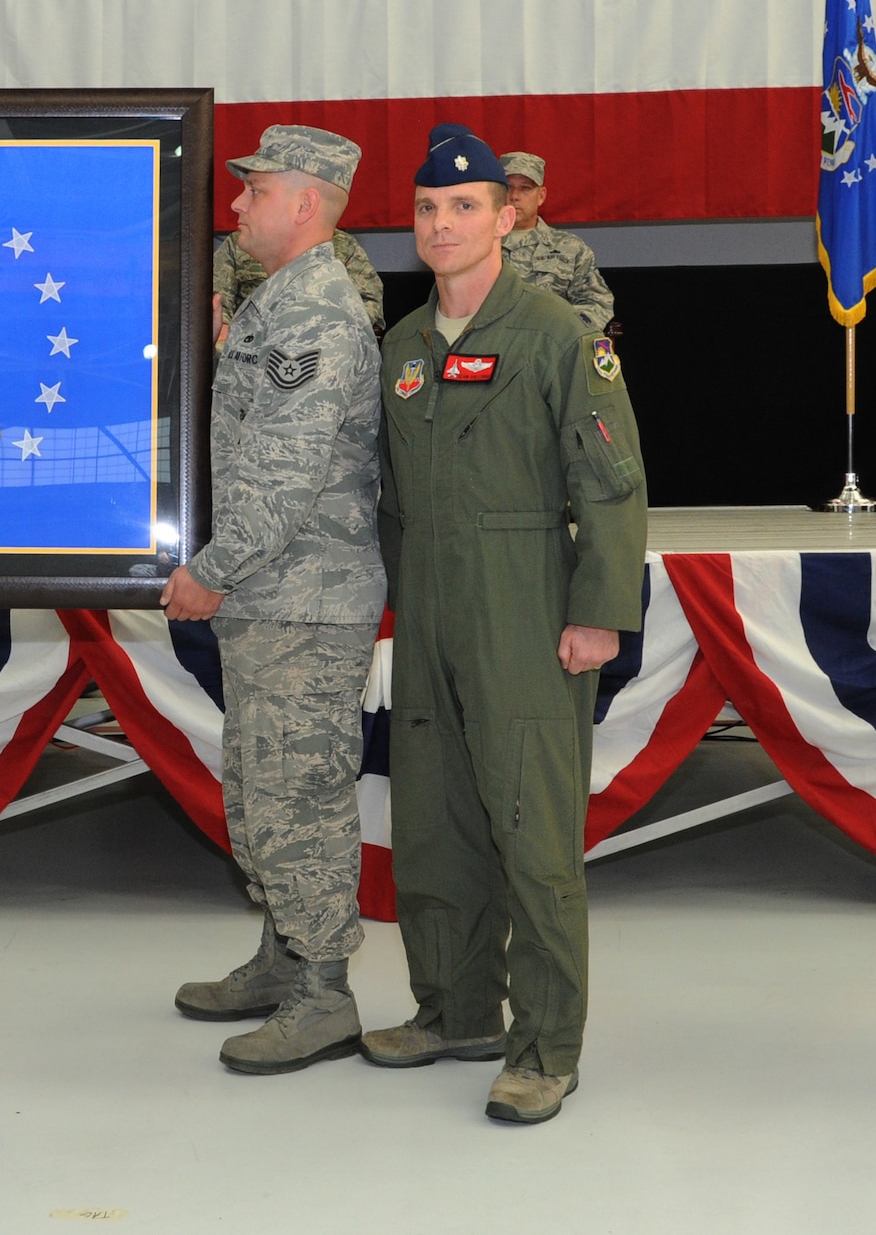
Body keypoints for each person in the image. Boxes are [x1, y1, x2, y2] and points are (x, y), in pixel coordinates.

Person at [364, 124, 647, 1125]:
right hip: (431, 610)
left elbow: (609, 485)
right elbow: (390, 500)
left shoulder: (554, 335)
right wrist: (397, 602)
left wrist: (599, 616)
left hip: (524, 606)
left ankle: (543, 1047)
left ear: (505, 215)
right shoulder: (400, 346)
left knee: (531, 836)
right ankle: (452, 1010)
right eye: (426, 210)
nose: (440, 224)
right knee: (433, 825)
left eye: (463, 207)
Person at [161, 126, 386, 1075]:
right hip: (275, 599)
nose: (238, 206)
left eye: (255, 191)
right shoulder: (275, 305)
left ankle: (324, 991)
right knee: (258, 791)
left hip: (303, 597)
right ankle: (282, 954)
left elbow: (282, 478)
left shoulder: (315, 317)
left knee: (300, 795)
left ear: (306, 203)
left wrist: (209, 567)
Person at [496, 151, 614, 330]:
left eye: (525, 188)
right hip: (490, 348)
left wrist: (561, 334)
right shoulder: (478, 245)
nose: (515, 196)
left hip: (549, 348)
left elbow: (597, 302)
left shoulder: (570, 248)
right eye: (508, 187)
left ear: (541, 196)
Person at [214, 227, 385, 340]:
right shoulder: (240, 243)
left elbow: (367, 311)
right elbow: (217, 312)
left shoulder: (343, 245)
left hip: (321, 347)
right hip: (248, 351)